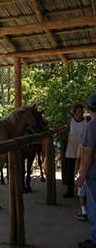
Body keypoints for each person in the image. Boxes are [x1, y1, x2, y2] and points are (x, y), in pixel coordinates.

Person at [77, 95, 96, 248]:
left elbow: (89, 152)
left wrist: (82, 175)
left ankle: (95, 239)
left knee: (93, 206)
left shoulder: (92, 125)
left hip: (94, 172)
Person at [63, 104, 87, 198]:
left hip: (81, 149)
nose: (79, 113)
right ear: (74, 113)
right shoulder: (71, 122)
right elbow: (66, 132)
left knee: (81, 170)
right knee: (70, 171)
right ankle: (70, 191)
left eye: (80, 112)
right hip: (71, 149)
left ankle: (82, 192)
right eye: (77, 112)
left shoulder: (86, 123)